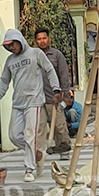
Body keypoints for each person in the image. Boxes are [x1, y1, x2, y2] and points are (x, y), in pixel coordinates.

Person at [0, 28, 60, 180]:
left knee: (30, 134)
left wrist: (56, 89)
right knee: (14, 135)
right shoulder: (10, 61)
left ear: (20, 40)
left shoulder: (36, 53)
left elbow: (49, 70)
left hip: (34, 101)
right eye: (8, 46)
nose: (11, 48)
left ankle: (29, 169)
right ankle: (37, 153)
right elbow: (4, 81)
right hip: (18, 103)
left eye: (13, 44)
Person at [33, 26, 74, 154]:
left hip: (54, 98)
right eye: (39, 39)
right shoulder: (33, 56)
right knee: (39, 127)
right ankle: (40, 153)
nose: (42, 41)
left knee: (59, 125)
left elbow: (64, 76)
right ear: (35, 41)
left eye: (44, 38)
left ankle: (64, 148)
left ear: (49, 39)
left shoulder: (56, 55)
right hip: (38, 99)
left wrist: (65, 95)